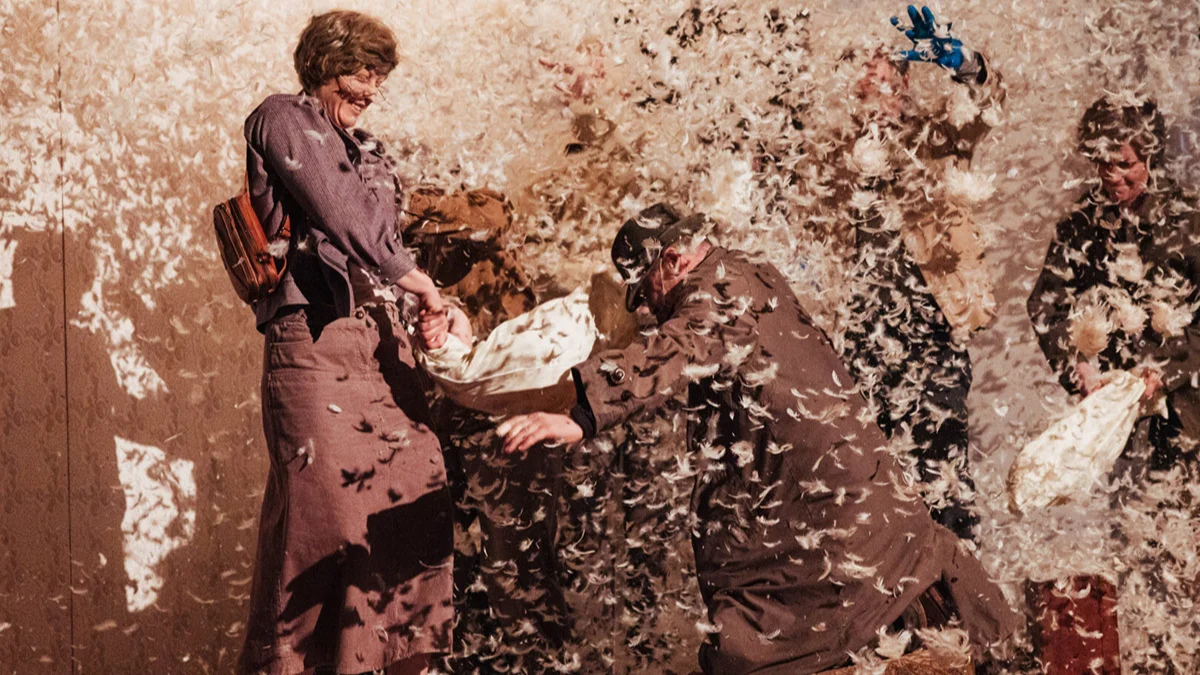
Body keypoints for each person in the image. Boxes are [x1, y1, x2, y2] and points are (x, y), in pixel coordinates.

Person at [496, 204, 1020, 675]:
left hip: (834, 531)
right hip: (864, 506)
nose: (648, 310)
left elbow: (681, 345)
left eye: (647, 291)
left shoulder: (717, 295)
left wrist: (584, 416)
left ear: (674, 260)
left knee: (752, 647)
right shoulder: (751, 272)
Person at [237, 11, 470, 675]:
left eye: (378, 77)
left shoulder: (370, 149)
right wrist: (416, 280)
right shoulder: (282, 118)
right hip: (314, 349)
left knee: (414, 508)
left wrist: (428, 311)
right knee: (328, 530)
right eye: (360, 73)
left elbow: (385, 247)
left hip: (382, 352)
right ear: (323, 66)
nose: (371, 89)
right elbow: (340, 212)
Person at [804, 5, 1005, 538]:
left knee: (940, 471)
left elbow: (987, 107)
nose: (871, 82)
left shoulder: (934, 137)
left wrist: (969, 68)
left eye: (882, 70)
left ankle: (961, 580)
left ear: (904, 81)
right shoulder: (834, 155)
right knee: (870, 478)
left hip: (932, 330)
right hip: (860, 340)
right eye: (861, 70)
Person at [1027, 95, 1200, 476]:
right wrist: (1080, 367)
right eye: (1103, 163)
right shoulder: (1079, 224)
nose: (1112, 176)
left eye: (1125, 164)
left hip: (1190, 408)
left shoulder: (1189, 219)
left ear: (1150, 157)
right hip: (1120, 417)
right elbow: (1046, 305)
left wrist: (1167, 370)